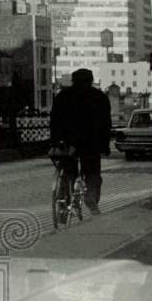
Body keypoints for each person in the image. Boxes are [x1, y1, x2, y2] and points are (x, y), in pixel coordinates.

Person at [49, 68, 112, 215]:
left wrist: (55, 141)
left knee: (68, 169)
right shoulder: (99, 97)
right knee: (92, 173)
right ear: (90, 81)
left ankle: (63, 197)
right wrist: (105, 145)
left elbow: (54, 120)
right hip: (91, 143)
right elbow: (105, 124)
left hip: (67, 142)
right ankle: (91, 196)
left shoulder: (63, 96)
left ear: (73, 80)